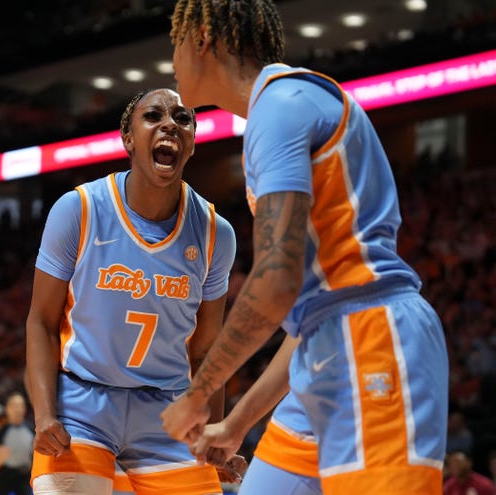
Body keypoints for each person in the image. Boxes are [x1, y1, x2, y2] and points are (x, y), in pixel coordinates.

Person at [160, 1, 449, 494]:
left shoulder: (281, 106)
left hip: (374, 341)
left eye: (175, 44)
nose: (172, 59)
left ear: (202, 38)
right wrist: (236, 423)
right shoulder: (278, 107)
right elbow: (306, 310)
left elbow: (275, 282)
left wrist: (199, 391)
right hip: (325, 344)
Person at [25, 88, 237, 495]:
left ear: (191, 142)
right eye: (153, 116)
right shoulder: (79, 209)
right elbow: (41, 321)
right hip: (82, 403)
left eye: (182, 118)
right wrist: (44, 415)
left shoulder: (215, 233)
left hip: (169, 410)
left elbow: (207, 351)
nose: (170, 124)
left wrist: (212, 433)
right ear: (128, 139)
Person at [194, 334, 321, 495]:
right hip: (302, 422)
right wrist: (234, 426)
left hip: (352, 419)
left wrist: (234, 426)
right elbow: (302, 337)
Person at [0, 391, 35, 495]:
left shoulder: (31, 429)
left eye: (21, 405)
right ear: (7, 409)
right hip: (4, 473)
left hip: (24, 475)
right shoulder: (1, 431)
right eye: (14, 405)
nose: (18, 409)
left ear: (24, 409)